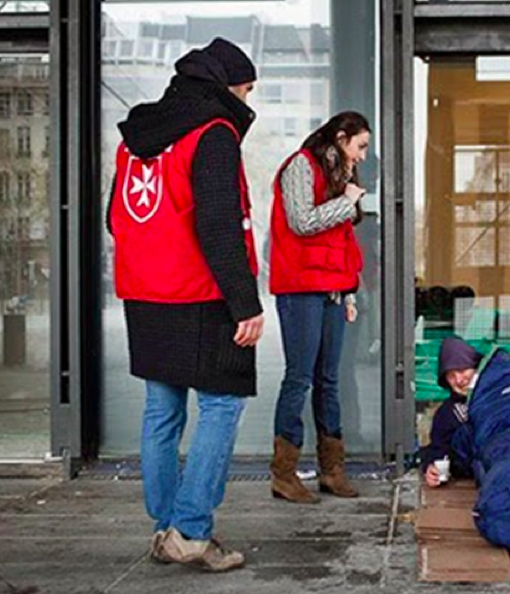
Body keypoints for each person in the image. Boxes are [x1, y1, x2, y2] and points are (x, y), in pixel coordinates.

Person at [108, 38, 263, 571]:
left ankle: (165, 528)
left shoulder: (135, 141)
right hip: (201, 294)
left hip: (145, 292)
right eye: (244, 90)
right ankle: (191, 531)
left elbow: (116, 218)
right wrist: (246, 304)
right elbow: (219, 226)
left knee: (162, 411)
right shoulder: (213, 135)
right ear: (224, 88)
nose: (247, 102)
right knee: (222, 405)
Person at [268, 112, 370, 503]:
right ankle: (284, 474)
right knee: (300, 378)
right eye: (359, 146)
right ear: (341, 138)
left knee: (328, 379)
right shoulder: (300, 166)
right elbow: (301, 222)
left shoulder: (340, 175)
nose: (362, 156)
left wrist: (348, 293)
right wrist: (347, 202)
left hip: (330, 290)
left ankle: (332, 471)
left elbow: (342, 243)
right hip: (300, 290)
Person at [420, 336, 482, 488]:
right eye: (451, 376)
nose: (459, 380)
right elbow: (438, 449)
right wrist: (430, 468)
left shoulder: (501, 396)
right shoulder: (446, 414)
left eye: (462, 370)